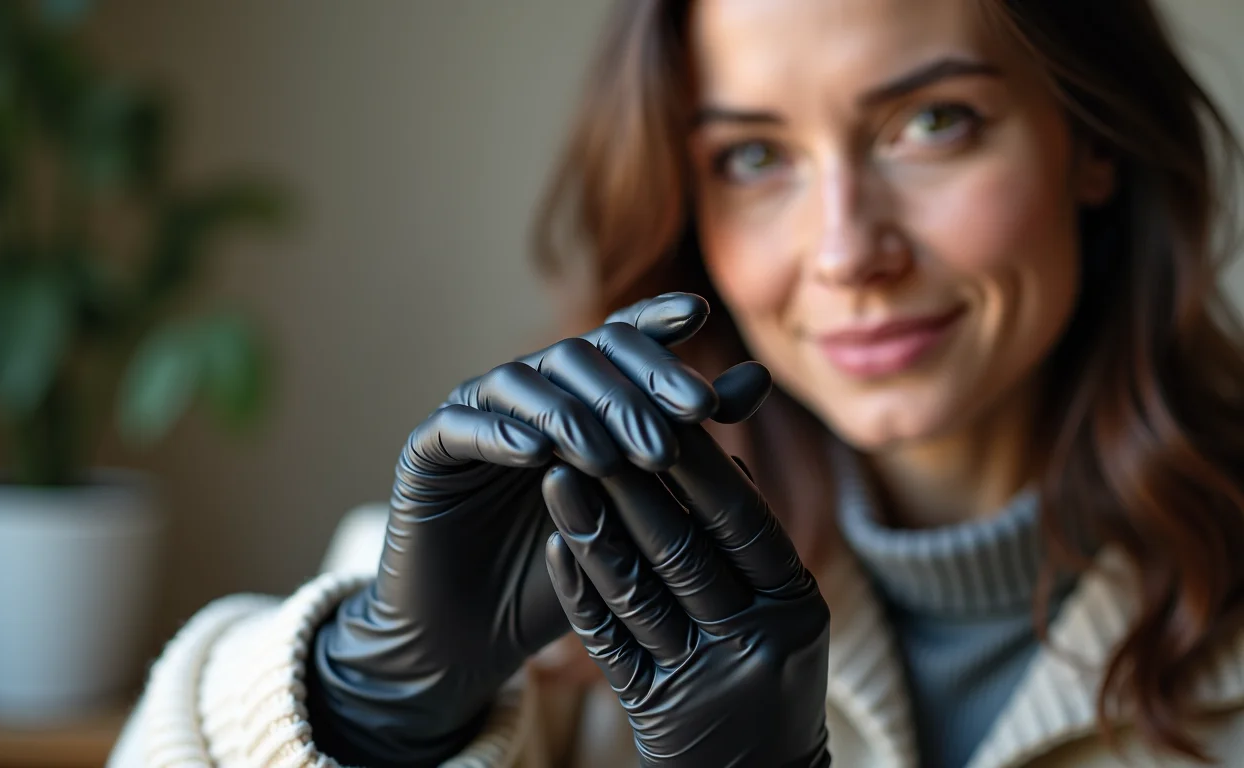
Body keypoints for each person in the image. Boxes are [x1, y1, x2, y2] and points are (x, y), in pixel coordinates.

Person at [108, 0, 1244, 765]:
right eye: (753, 158)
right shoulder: (533, 566)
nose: (845, 250)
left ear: (1088, 140)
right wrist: (371, 696)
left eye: (931, 124)